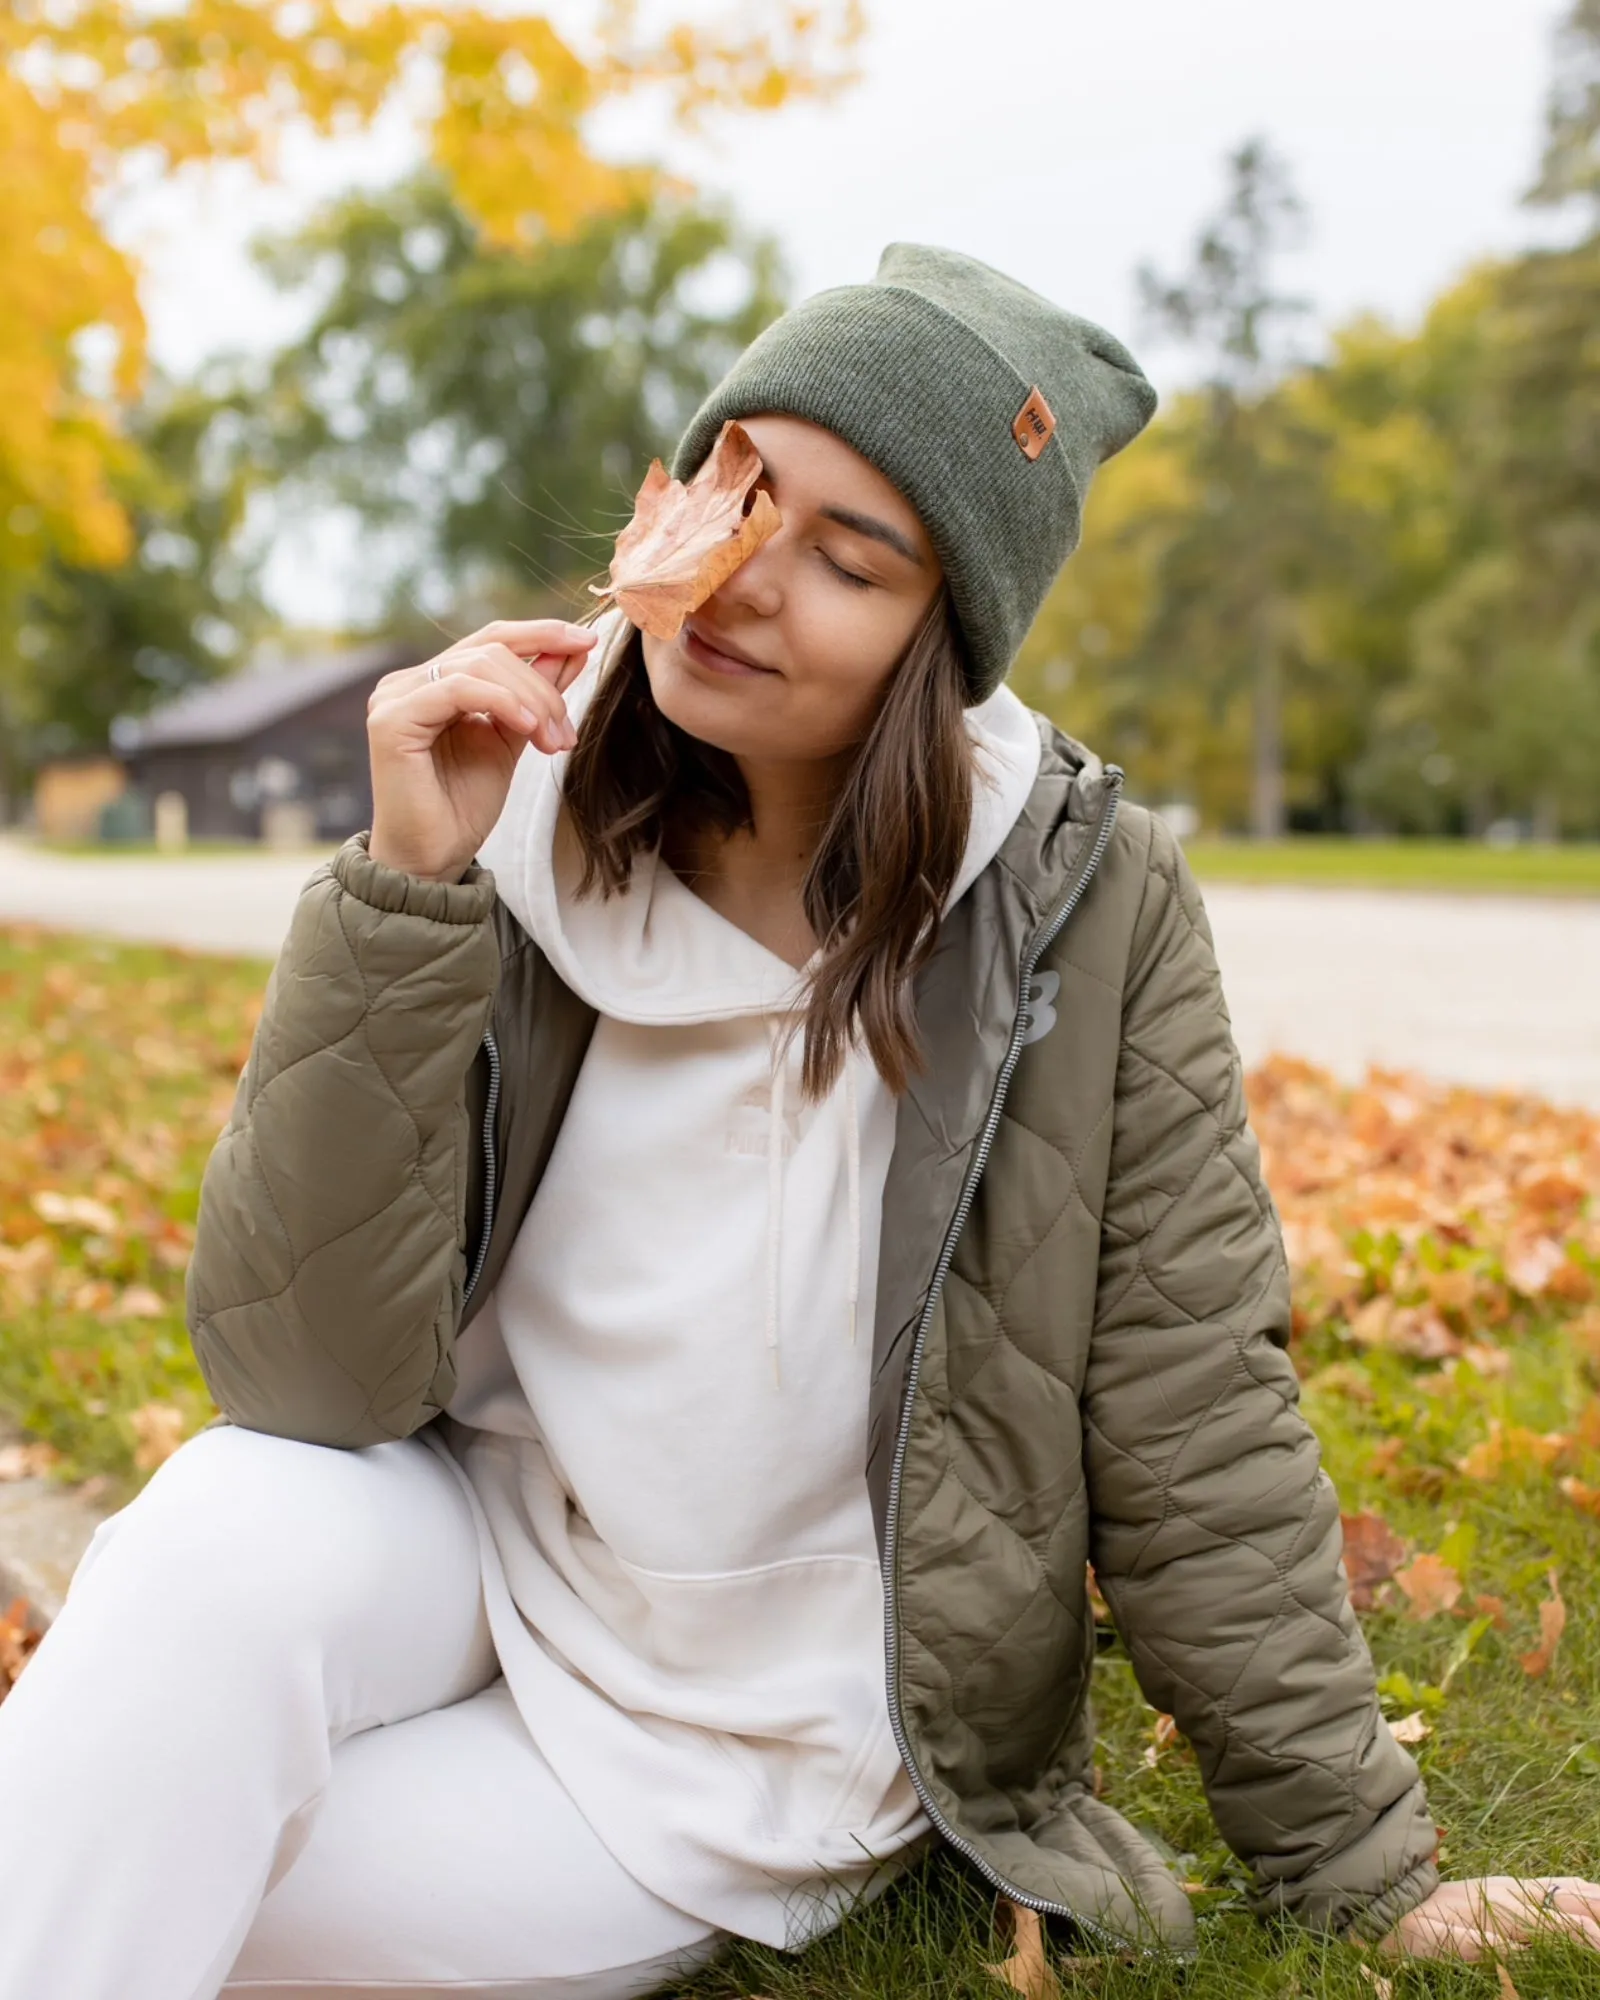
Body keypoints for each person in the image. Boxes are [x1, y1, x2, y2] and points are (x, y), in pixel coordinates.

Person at [1, 244, 1597, 2000]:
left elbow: (1193, 1402)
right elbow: (303, 1391)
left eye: (850, 559)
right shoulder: (504, 809)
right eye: (740, 492)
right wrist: (405, 893)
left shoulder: (1085, 900)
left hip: (752, 1710)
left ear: (948, 642)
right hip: (468, 1534)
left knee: (165, 1877)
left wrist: (1365, 1869)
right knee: (204, 1562)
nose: (751, 582)